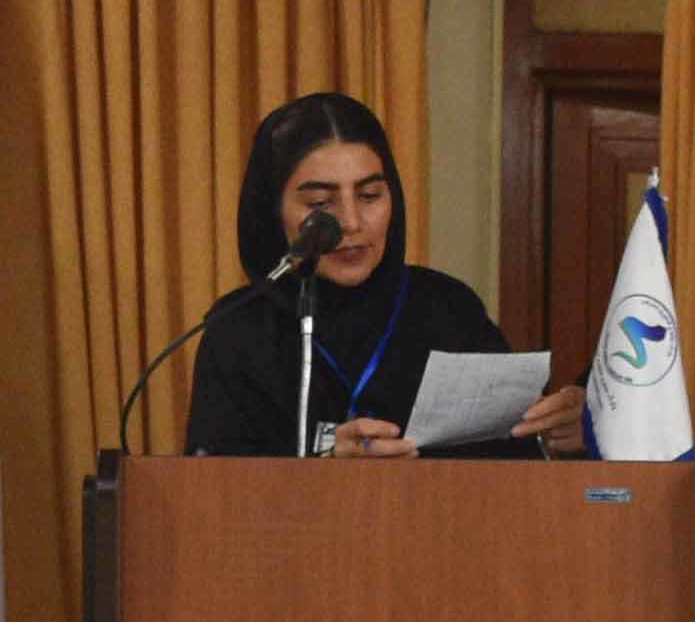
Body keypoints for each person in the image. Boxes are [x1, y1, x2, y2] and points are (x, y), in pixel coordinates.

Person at [177, 93, 586, 459]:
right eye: (320, 202)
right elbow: (212, 485)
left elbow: (512, 466)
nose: (351, 222)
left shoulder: (448, 310)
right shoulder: (237, 330)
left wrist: (555, 434)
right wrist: (325, 459)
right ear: (273, 212)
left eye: (370, 196)